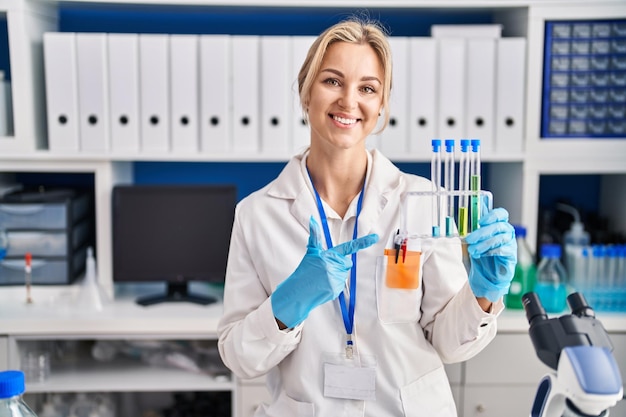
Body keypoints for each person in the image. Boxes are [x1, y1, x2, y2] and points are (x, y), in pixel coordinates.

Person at [217, 17, 517, 417]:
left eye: (367, 88)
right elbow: (238, 357)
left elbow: (449, 343)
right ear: (306, 93)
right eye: (332, 81)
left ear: (381, 107)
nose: (348, 101)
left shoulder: (424, 201)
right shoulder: (258, 215)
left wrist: (484, 292)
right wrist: (286, 306)